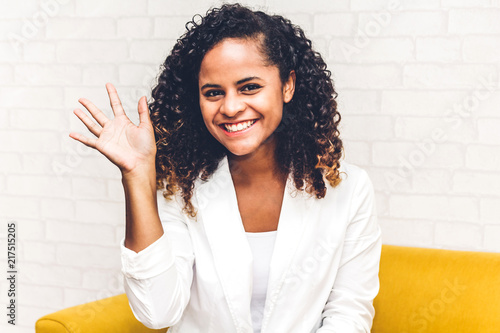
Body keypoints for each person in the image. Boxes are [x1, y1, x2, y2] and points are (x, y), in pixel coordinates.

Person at [70, 3, 381, 333]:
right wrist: (137, 176)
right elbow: (157, 312)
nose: (231, 107)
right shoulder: (181, 188)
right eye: (213, 93)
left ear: (287, 85)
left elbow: (349, 313)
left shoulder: (349, 189)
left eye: (250, 87)